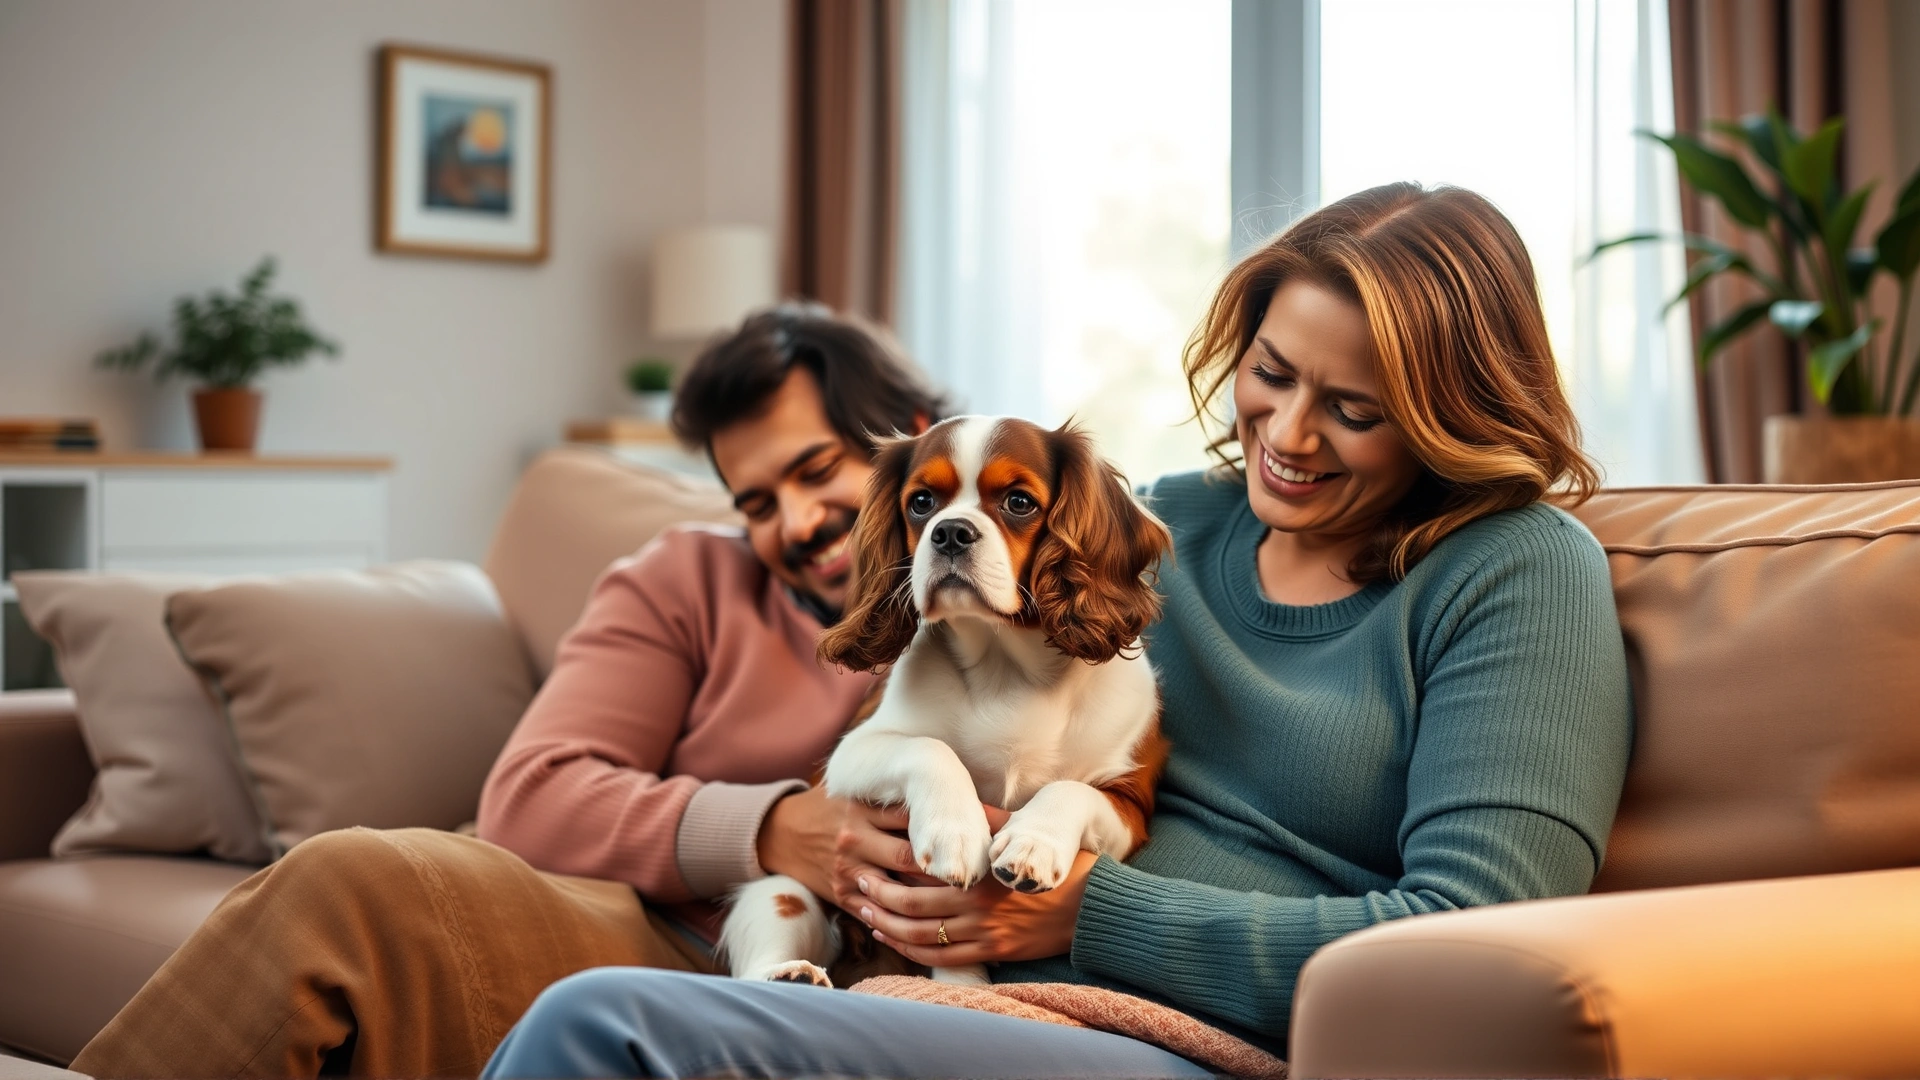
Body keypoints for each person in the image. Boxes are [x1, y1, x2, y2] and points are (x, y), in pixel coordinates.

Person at [478, 181, 1637, 1080]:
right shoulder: (1166, 526)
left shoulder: (1518, 571)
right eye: (1270, 373)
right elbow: (939, 678)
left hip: (1195, 1035)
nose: (1286, 433)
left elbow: (1478, 948)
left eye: (1353, 410)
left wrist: (1091, 913)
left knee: (611, 1027)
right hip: (990, 985)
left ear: (1452, 413)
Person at [70, 303, 956, 1079]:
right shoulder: (688, 578)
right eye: (757, 503)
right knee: (346, 885)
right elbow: (532, 795)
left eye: (815, 471)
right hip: (668, 938)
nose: (796, 525)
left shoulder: (1022, 602)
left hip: (888, 991)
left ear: (913, 431)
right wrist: (767, 830)